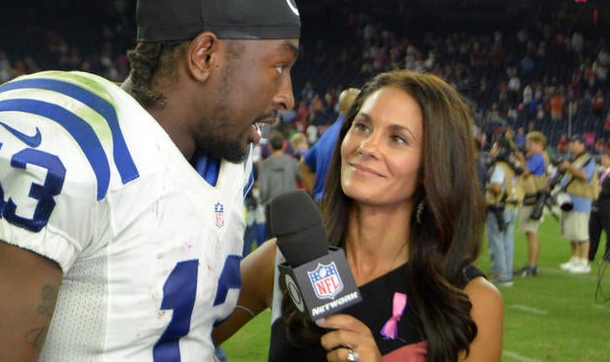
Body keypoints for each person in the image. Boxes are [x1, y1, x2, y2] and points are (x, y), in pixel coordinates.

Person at [0, 0, 301, 361]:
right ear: (204, 56)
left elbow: (174, 328)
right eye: (278, 67)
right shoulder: (78, 151)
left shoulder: (227, 161)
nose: (288, 96)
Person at [214, 71, 503, 361]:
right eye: (362, 127)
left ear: (433, 167)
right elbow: (177, 334)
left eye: (398, 138)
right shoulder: (281, 260)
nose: (367, 146)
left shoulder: (474, 301)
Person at [300, 87, 360, 203]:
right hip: (339, 206)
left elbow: (303, 166)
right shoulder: (351, 134)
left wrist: (318, 193)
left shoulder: (328, 133)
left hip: (323, 203)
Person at [485, 137, 523, 287]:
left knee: (496, 241)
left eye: (494, 146)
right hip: (512, 207)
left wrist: (487, 186)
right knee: (508, 239)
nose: (491, 149)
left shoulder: (500, 166)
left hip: (499, 207)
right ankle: (507, 273)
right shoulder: (514, 165)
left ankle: (501, 274)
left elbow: (496, 187)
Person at [558, 134, 597, 274]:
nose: (571, 145)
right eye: (571, 143)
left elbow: (585, 177)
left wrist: (569, 167)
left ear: (582, 145)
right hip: (570, 199)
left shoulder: (588, 160)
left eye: (575, 143)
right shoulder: (576, 160)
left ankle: (584, 261)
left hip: (581, 201)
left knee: (581, 234)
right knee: (571, 232)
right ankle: (574, 258)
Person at [513, 131, 549, 277]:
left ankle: (532, 265)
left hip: (532, 199)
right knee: (531, 232)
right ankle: (532, 265)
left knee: (531, 232)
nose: (528, 146)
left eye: (531, 143)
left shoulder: (537, 157)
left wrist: (520, 160)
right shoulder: (541, 157)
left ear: (539, 144)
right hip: (535, 198)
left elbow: (525, 173)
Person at [257, 130, 302, 236]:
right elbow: (301, 178)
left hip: (273, 207)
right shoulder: (292, 162)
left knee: (273, 242)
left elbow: (263, 189)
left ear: (270, 147)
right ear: (284, 146)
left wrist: (263, 201)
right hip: (290, 205)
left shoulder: (264, 165)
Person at [589, 151, 610, 263]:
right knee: (593, 233)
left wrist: (602, 191)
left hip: (609, 207)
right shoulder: (601, 173)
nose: (603, 160)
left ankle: (608, 257)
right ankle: (590, 254)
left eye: (605, 158)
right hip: (597, 206)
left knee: (609, 234)